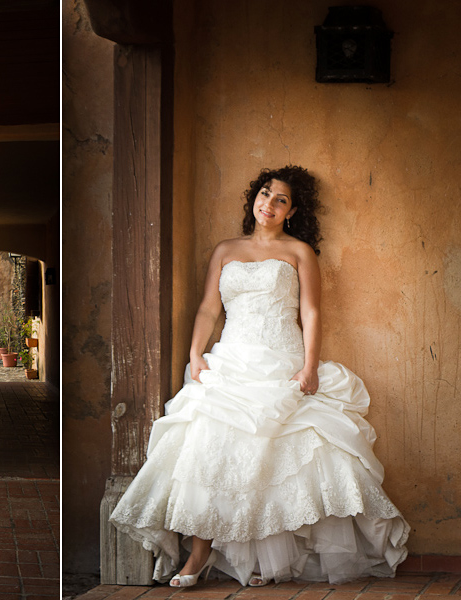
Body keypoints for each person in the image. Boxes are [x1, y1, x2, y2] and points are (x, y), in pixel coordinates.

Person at [109, 166, 409, 587]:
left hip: (280, 362)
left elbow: (311, 312)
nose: (269, 204)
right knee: (209, 450)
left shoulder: (300, 252)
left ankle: (264, 560)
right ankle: (198, 554)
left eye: (280, 199)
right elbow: (209, 309)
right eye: (265, 194)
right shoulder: (225, 250)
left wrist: (308, 365)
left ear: (292, 210)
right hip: (230, 361)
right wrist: (196, 354)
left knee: (274, 460)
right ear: (255, 198)